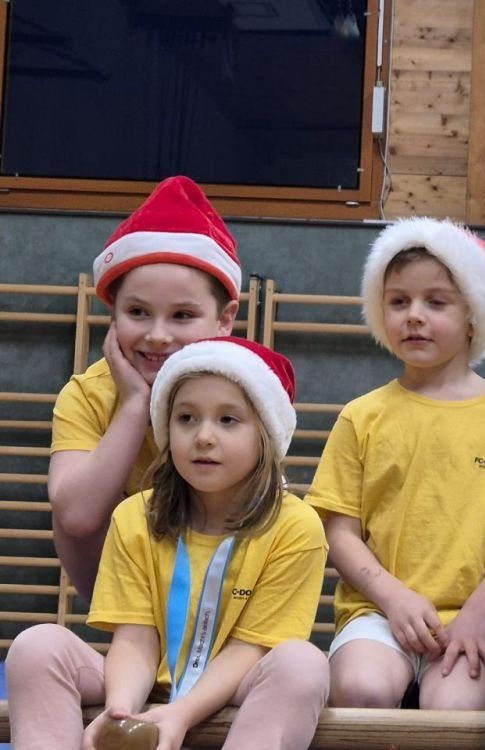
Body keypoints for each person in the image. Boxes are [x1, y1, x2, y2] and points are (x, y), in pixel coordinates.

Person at [7, 337, 330, 750]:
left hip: (237, 689)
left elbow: (250, 650)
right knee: (38, 646)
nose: (204, 437)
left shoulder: (296, 526)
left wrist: (181, 713)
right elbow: (135, 638)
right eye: (187, 418)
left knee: (302, 664)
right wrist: (120, 712)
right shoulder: (134, 516)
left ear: (265, 433)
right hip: (145, 688)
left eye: (228, 420)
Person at [306, 217, 485, 710]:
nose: (414, 316)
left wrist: (480, 613)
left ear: (474, 316)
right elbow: (339, 532)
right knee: (361, 689)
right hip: (376, 613)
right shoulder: (362, 416)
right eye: (398, 302)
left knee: (456, 707)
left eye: (436, 302)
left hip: (474, 618)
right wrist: (394, 600)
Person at [49, 175, 242, 600]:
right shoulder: (89, 394)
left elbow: (255, 512)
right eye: (138, 312)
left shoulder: (247, 389)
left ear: (224, 320)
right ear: (113, 314)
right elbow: (77, 517)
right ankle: (129, 636)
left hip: (225, 591)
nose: (157, 335)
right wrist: (136, 403)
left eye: (182, 316)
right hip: (128, 588)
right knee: (72, 502)